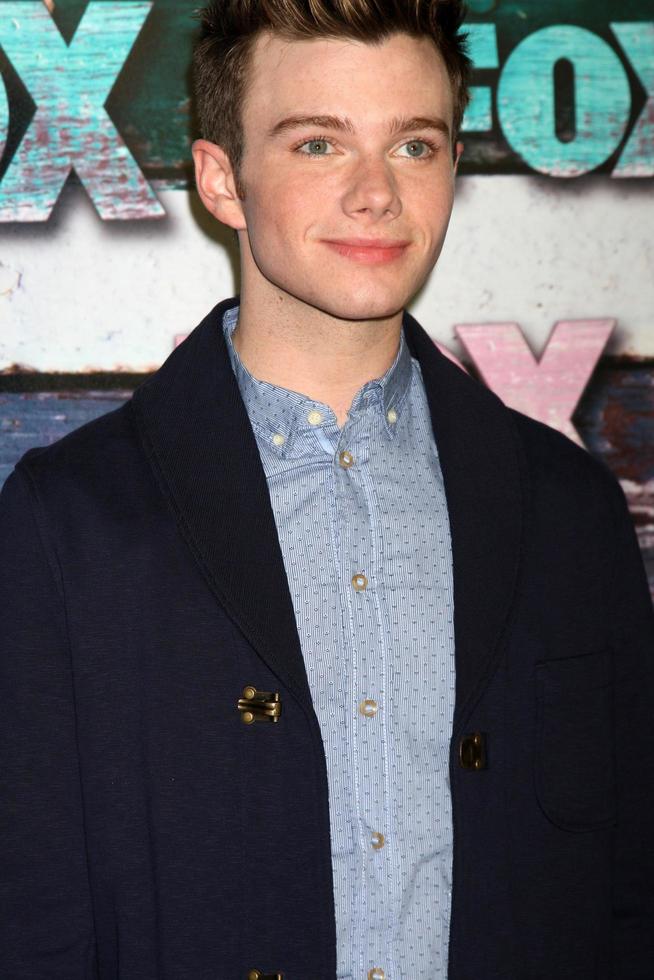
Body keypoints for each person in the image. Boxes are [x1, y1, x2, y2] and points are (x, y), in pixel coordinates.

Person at [1, 0, 653, 976]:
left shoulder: (570, 509)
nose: (376, 194)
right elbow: (33, 919)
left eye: (416, 146)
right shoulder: (72, 524)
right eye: (317, 143)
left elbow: (627, 897)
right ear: (223, 179)